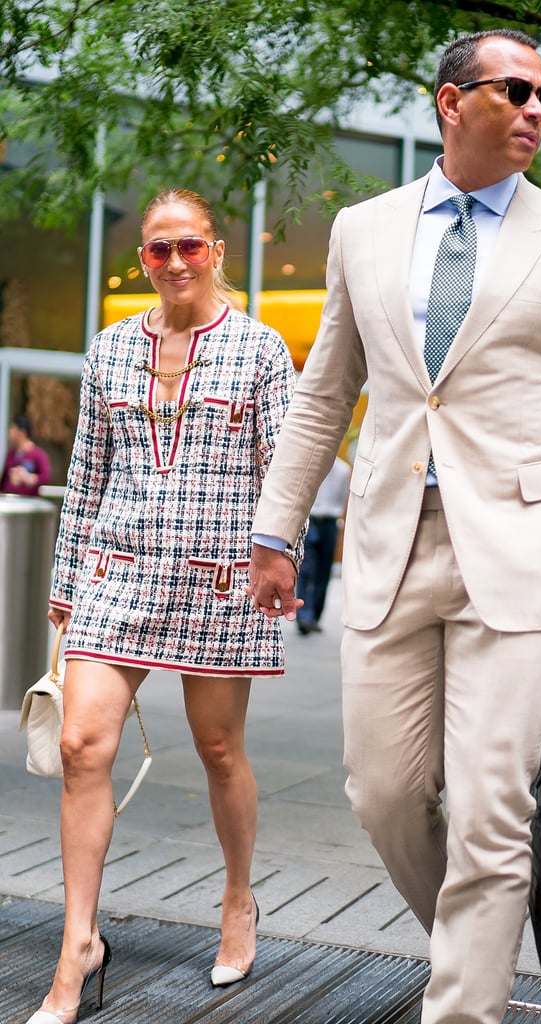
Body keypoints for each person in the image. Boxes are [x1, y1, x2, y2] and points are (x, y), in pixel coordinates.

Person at [248, 29, 541, 1024]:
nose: (535, 110)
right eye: (513, 91)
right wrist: (276, 529)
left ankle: (461, 1002)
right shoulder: (361, 229)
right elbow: (323, 390)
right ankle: (490, 935)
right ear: (448, 103)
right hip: (389, 543)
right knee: (380, 792)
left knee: (487, 813)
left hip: (521, 552)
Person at [25, 188, 302, 1024]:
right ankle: (78, 944)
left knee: (219, 749)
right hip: (117, 573)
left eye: (188, 246)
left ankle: (237, 897)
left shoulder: (259, 351)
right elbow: (88, 477)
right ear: (142, 259)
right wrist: (66, 589)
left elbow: (286, 471)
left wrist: (278, 554)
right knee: (79, 743)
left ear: (215, 250)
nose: (174, 262)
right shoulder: (109, 350)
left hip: (217, 579)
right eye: (157, 249)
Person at [296, 455, 350, 634]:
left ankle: (313, 615)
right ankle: (305, 615)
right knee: (307, 568)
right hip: (312, 520)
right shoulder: (312, 465)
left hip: (329, 522)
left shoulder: (343, 470)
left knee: (323, 571)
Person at [1, 414, 51, 495]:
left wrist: (29, 478)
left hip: (29, 503)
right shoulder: (10, 454)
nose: (9, 433)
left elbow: (46, 477)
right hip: (10, 501)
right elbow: (3, 480)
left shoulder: (38, 455)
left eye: (12, 428)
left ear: (22, 432)